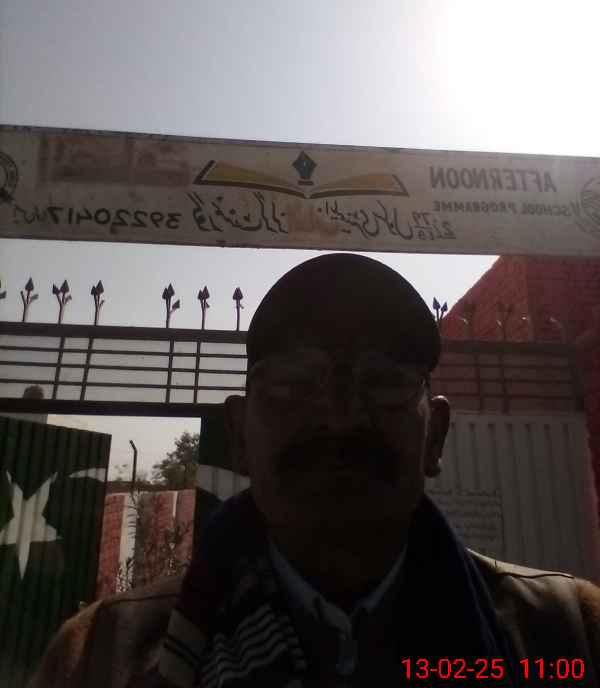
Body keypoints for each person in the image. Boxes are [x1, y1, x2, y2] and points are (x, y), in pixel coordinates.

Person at [30, 254, 600, 688]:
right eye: (294, 382)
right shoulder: (101, 657)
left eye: (383, 381)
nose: (340, 417)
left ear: (435, 437)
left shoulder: (569, 635)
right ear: (240, 436)